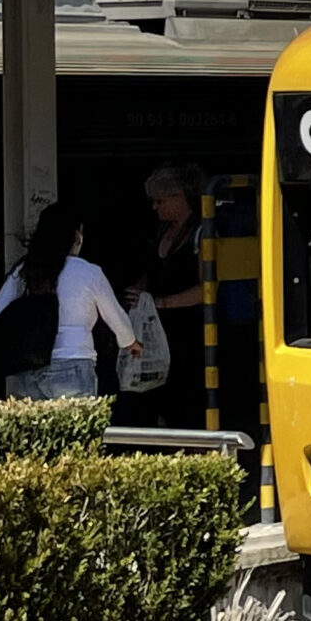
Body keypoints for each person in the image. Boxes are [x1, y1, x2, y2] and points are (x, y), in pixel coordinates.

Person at [0, 203, 137, 400]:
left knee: (34, 430)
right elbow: (115, 316)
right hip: (73, 363)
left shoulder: (24, 270)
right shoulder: (87, 271)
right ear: (77, 236)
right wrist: (130, 341)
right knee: (75, 429)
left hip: (27, 366)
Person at [135, 163, 208, 426]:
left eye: (160, 200)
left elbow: (208, 288)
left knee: (187, 401)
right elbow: (152, 272)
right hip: (159, 335)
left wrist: (161, 303)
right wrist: (141, 293)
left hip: (191, 335)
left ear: (181, 197)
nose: (155, 207)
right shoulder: (161, 232)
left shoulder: (202, 232)